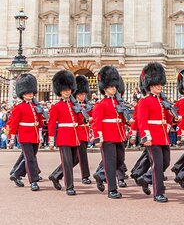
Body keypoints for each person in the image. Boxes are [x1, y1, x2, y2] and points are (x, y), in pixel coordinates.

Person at [136, 63, 175, 203]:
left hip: (163, 136)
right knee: (157, 165)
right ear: (150, 85)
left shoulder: (162, 101)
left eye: (160, 84)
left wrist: (172, 121)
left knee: (166, 162)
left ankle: (146, 178)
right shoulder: (144, 102)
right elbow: (142, 121)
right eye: (156, 84)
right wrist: (146, 136)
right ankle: (158, 193)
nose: (160, 86)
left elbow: (168, 118)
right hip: (152, 137)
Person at [90, 66, 127, 199]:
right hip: (107, 137)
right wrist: (98, 138)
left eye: (114, 86)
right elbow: (96, 122)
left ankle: (101, 175)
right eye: (110, 87)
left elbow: (122, 119)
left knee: (120, 160)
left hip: (119, 135)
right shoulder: (100, 104)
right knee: (110, 163)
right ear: (104, 89)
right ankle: (112, 189)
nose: (113, 89)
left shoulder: (119, 102)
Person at [47, 70, 82, 195]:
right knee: (67, 163)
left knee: (75, 160)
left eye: (69, 89)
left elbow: (79, 121)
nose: (67, 91)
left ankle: (56, 175)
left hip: (74, 136)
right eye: (64, 90)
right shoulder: (56, 106)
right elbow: (51, 123)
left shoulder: (74, 104)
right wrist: (51, 140)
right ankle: (69, 187)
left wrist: (80, 112)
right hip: (64, 137)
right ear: (60, 91)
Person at [7, 74, 43, 191]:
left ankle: (16, 174)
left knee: (30, 157)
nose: (30, 94)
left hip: (35, 135)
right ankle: (34, 181)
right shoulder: (18, 107)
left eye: (31, 93)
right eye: (28, 93)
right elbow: (13, 124)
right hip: (24, 135)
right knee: (30, 159)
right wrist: (12, 138)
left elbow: (40, 122)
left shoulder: (35, 106)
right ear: (23, 94)